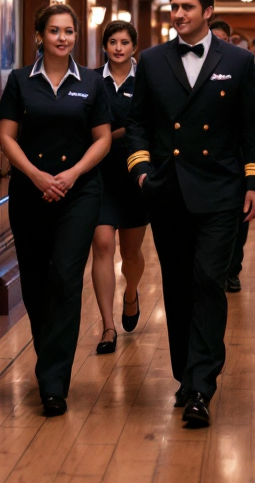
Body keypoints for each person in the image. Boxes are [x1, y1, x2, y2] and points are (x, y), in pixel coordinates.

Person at [126, 0, 255, 427]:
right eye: (174, 7)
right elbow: (137, 125)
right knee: (177, 286)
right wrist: (142, 173)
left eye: (187, 7)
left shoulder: (239, 61)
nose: (178, 14)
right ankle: (185, 377)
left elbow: (253, 127)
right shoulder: (150, 60)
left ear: (207, 11)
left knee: (208, 279)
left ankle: (202, 385)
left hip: (221, 191)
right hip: (168, 191)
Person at [0, 3, 111, 417]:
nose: (63, 38)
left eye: (69, 32)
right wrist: (37, 176)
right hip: (30, 192)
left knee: (65, 276)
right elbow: (6, 137)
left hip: (79, 193)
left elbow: (102, 139)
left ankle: (53, 382)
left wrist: (72, 175)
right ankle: (51, 365)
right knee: (36, 282)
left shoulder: (92, 83)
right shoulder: (20, 81)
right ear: (39, 36)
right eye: (55, 31)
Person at [91, 21, 149, 355]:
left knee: (130, 253)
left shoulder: (146, 80)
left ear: (134, 47)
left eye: (124, 42)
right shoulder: (91, 81)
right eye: (112, 42)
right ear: (104, 46)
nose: (118, 48)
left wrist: (113, 136)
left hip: (134, 176)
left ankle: (131, 293)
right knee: (101, 245)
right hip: (98, 176)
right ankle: (107, 326)